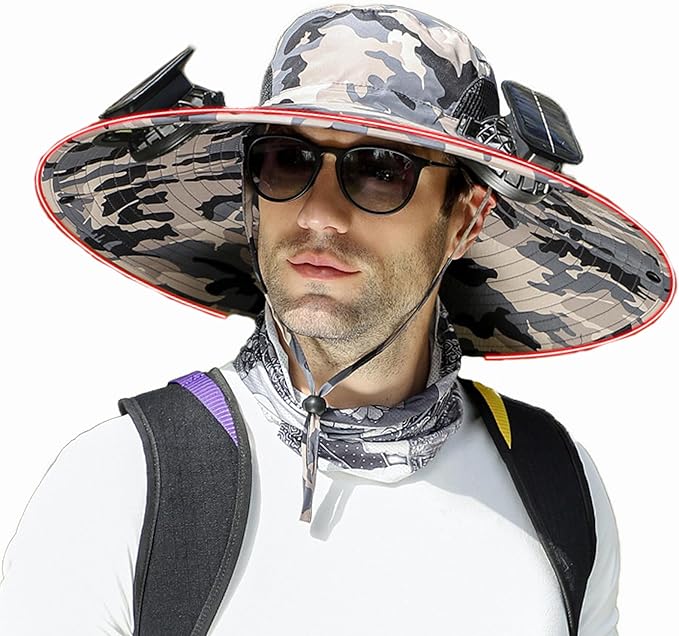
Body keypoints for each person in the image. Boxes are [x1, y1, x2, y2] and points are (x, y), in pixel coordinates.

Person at [0, 4, 673, 635]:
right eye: (286, 160)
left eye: (380, 170)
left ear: (465, 220)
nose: (319, 214)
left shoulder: (556, 486)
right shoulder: (121, 484)